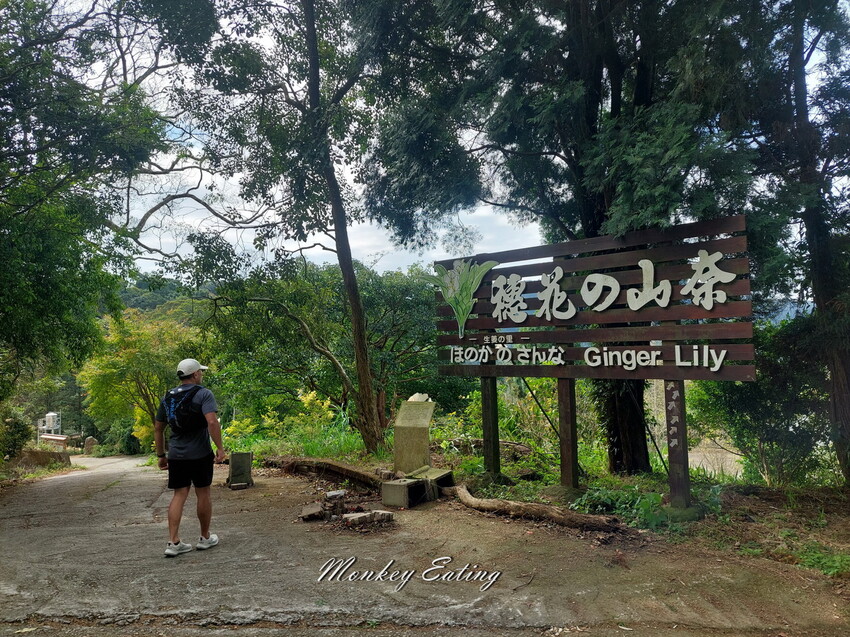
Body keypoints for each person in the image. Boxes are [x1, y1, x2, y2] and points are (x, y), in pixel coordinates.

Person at [154, 358, 227, 557]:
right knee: (203, 493)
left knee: (179, 495)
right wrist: (220, 448)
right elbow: (212, 422)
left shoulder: (168, 397)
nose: (201, 375)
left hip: (177, 455)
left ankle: (173, 542)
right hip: (201, 454)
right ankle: (204, 538)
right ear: (195, 374)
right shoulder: (203, 394)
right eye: (200, 372)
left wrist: (161, 455)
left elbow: (159, 428)